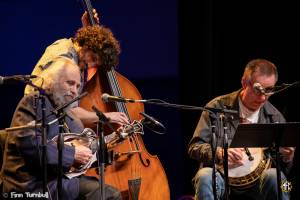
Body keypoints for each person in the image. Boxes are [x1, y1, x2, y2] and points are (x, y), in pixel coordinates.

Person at [0, 57, 122, 200]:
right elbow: (32, 148)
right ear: (52, 81)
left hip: (58, 180)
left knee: (105, 191)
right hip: (30, 185)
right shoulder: (35, 102)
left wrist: (101, 155)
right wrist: (73, 154)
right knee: (108, 195)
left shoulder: (69, 117)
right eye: (70, 83)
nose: (75, 91)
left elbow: (76, 158)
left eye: (77, 86)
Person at [188, 58, 295, 200]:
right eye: (258, 90)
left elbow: (285, 171)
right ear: (244, 83)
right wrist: (220, 153)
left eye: (269, 91)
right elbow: (194, 147)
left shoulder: (274, 117)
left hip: (259, 182)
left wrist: (288, 158)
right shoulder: (217, 108)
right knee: (204, 176)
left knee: (281, 181)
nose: (263, 98)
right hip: (222, 178)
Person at [24, 10, 129, 129]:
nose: (91, 65)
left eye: (96, 63)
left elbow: (82, 46)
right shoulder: (64, 58)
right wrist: (106, 116)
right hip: (36, 127)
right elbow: (70, 111)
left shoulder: (76, 55)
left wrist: (88, 30)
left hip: (46, 123)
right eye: (93, 58)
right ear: (87, 45)